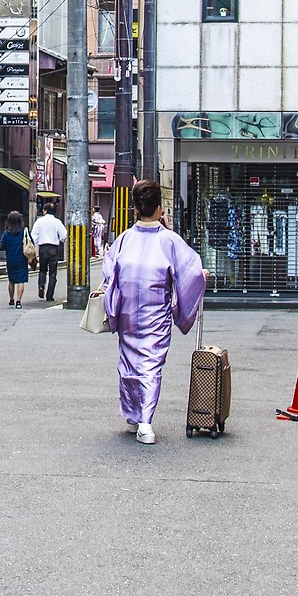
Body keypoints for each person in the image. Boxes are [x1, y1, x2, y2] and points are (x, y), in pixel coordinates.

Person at [100, 179, 206, 444]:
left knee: (128, 364)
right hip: (155, 314)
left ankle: (134, 414)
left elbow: (109, 273)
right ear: (160, 209)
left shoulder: (123, 240)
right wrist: (201, 277)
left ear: (136, 208)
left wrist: (105, 294)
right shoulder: (170, 241)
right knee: (150, 366)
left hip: (126, 313)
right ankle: (145, 422)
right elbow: (190, 272)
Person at [29, 201, 67, 302]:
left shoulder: (39, 221)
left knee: (42, 270)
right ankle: (49, 295)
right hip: (54, 248)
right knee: (53, 273)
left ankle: (41, 286)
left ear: (45, 211)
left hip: (42, 248)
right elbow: (64, 235)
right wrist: (59, 240)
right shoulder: (57, 222)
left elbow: (33, 235)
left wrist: (36, 244)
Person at [0, 210, 29, 307]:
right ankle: (18, 301)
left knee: (11, 280)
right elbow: (29, 243)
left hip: (10, 259)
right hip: (22, 259)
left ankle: (11, 299)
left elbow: (2, 246)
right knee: (20, 281)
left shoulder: (6, 233)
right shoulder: (23, 232)